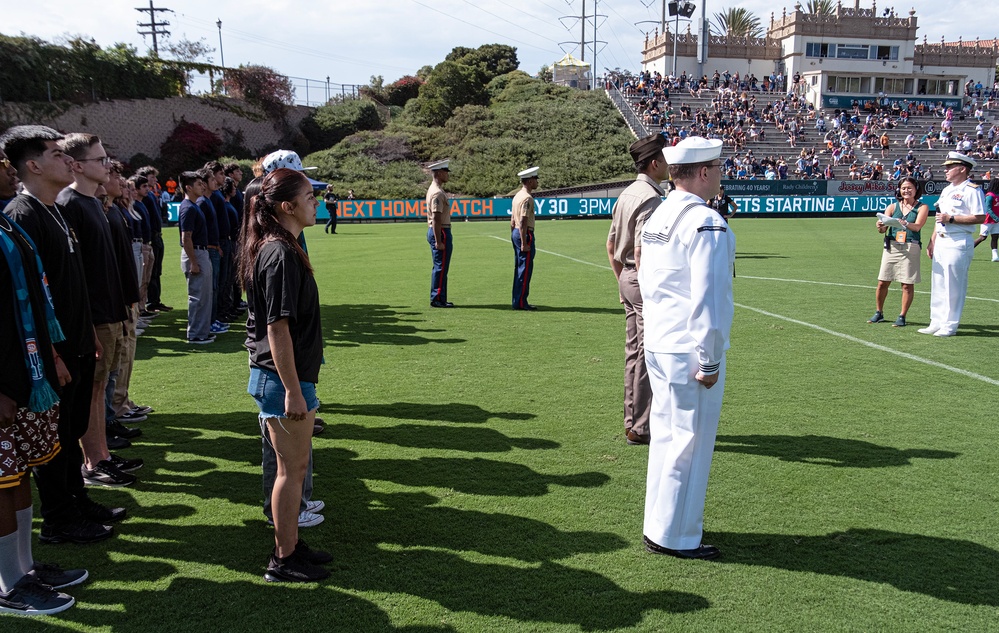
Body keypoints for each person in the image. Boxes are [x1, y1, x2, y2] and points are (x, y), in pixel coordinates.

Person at [1, 126, 123, 546]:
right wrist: (52, 353)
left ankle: (76, 499)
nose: (66, 160)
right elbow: (30, 295)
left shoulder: (54, 209)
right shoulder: (24, 214)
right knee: (52, 436)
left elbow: (71, 284)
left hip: (76, 342)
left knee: (69, 429)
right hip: (52, 353)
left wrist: (87, 331)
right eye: (56, 154)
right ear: (32, 165)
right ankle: (59, 518)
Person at [638, 136, 734, 561]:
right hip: (688, 348)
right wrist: (710, 359)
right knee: (689, 443)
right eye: (717, 168)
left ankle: (658, 524)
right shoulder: (705, 221)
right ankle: (677, 536)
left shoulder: (661, 214)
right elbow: (708, 299)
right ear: (704, 171)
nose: (719, 175)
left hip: (660, 341)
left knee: (666, 437)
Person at [239, 168, 332, 582]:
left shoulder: (283, 247)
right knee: (289, 472)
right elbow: (276, 328)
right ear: (286, 206)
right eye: (310, 196)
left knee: (293, 469)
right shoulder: (278, 252)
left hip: (288, 380)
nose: (317, 203)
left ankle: (290, 545)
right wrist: (294, 391)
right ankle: (282, 559)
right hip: (281, 383)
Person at [606, 134, 667, 446]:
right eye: (665, 158)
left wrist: (622, 280)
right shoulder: (651, 198)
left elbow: (610, 244)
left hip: (627, 278)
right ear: (654, 163)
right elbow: (642, 251)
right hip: (643, 281)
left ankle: (633, 419)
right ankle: (641, 427)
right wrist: (650, 291)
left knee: (635, 353)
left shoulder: (627, 193)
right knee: (647, 354)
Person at [919, 151, 986, 337]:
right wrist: (932, 241)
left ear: (962, 169)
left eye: (950, 167)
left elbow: (980, 216)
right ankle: (936, 321)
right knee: (938, 282)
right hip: (941, 240)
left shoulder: (972, 190)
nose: (946, 170)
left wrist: (953, 219)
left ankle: (950, 324)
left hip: (958, 241)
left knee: (954, 285)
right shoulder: (947, 189)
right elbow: (939, 218)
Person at [869, 177, 929, 328]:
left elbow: (917, 227)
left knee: (907, 284)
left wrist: (905, 223)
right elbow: (883, 230)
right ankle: (879, 312)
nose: (906, 191)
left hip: (910, 246)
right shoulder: (892, 207)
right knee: (883, 281)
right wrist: (880, 225)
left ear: (916, 189)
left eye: (909, 188)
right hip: (892, 246)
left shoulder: (922, 207)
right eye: (903, 188)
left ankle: (902, 315)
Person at [177, 171, 215, 344]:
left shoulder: (193, 206)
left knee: (205, 295)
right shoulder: (187, 208)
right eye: (199, 184)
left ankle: (202, 331)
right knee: (198, 296)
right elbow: (186, 237)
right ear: (188, 187)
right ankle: (195, 334)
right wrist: (193, 262)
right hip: (196, 253)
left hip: (200, 252)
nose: (203, 186)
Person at [425, 160, 454, 308]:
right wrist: (438, 240)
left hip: (440, 229)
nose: (447, 174)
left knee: (441, 266)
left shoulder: (435, 190)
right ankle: (437, 298)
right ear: (438, 173)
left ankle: (440, 297)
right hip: (441, 230)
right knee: (441, 267)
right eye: (445, 172)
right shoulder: (437, 193)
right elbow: (436, 218)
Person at [511, 167, 539, 310]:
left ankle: (517, 300)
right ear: (529, 181)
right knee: (525, 269)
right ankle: (521, 302)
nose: (537, 181)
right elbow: (523, 221)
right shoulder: (527, 198)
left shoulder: (517, 195)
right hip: (525, 233)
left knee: (520, 268)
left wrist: (514, 235)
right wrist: (523, 242)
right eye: (535, 179)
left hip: (516, 232)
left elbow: (513, 220)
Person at [972, 178, 999, 261]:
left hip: (996, 221)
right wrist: (996, 218)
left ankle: (995, 256)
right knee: (983, 237)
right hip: (988, 220)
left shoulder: (997, 195)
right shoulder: (990, 196)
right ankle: (966, 250)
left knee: (995, 237)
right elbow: (988, 209)